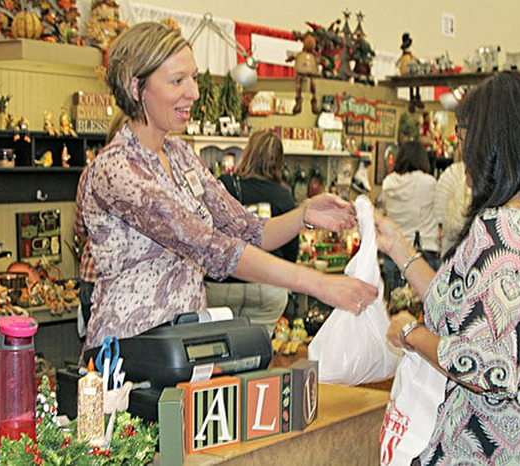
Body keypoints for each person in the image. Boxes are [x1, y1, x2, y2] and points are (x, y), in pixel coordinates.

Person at [79, 22, 376, 350]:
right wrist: (319, 284)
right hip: (127, 352)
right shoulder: (116, 168)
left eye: (193, 77)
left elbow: (248, 230)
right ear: (136, 87)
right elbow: (209, 247)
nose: (193, 92)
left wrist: (304, 214)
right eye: (178, 80)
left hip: (183, 346)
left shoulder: (179, 154)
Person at [377, 71, 520, 464]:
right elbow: (465, 305)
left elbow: (488, 367)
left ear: (494, 143)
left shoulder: (506, 228)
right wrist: (399, 249)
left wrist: (411, 333)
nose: (461, 150)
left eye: (466, 136)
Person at [205, 130, 298, 336]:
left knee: (219, 349)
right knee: (259, 351)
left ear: (248, 153)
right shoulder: (284, 196)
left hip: (223, 284)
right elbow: (292, 252)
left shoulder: (226, 184)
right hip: (268, 287)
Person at [74, 111, 129, 333]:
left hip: (92, 275)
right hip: (128, 282)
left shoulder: (91, 171)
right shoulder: (144, 176)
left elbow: (79, 227)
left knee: (98, 359)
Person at [381, 141, 440, 294]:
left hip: (393, 253)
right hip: (423, 252)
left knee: (397, 305)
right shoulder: (429, 183)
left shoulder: (388, 183)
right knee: (424, 310)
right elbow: (440, 215)